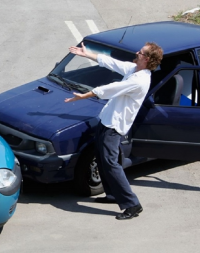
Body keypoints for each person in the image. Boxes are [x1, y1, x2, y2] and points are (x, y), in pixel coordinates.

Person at [64, 42, 163, 220]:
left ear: (146, 59)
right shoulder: (134, 69)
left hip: (114, 126)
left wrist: (85, 95)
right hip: (107, 120)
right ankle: (112, 195)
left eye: (140, 52)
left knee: (110, 163)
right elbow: (112, 62)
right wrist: (87, 54)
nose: (136, 52)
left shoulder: (139, 80)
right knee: (103, 159)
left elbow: (111, 88)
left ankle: (132, 204)